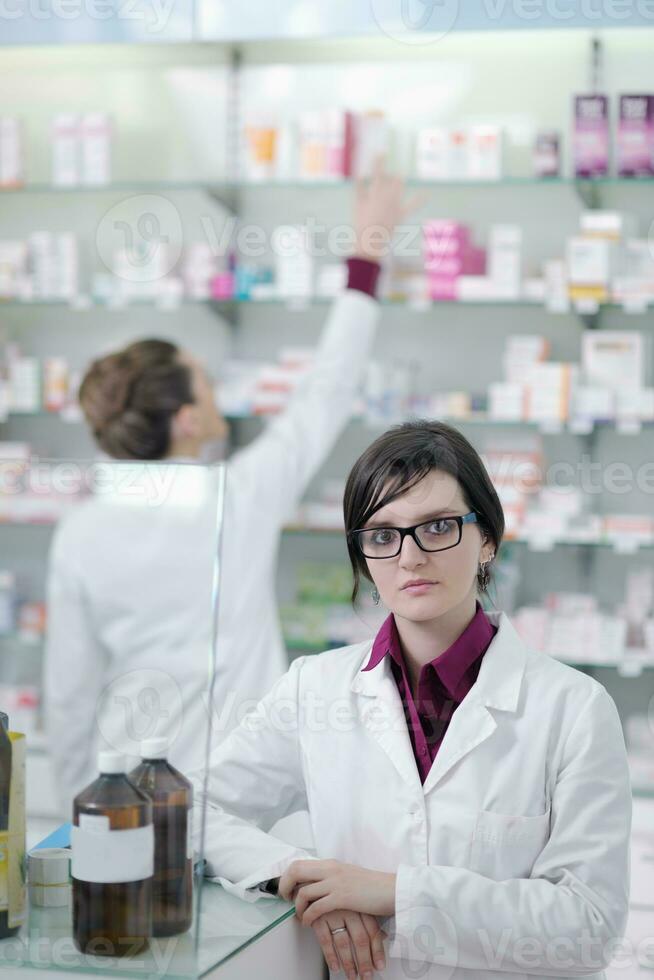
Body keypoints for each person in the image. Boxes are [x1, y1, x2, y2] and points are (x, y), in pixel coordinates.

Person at [193, 420, 632, 980]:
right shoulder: (314, 688)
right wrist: (297, 874)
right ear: (364, 558)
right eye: (383, 535)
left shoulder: (573, 708)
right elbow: (192, 812)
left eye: (438, 527)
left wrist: (395, 894)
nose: (410, 556)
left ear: (488, 539)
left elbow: (588, 929)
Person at [44, 164, 419, 814]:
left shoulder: (80, 530)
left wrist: (80, 817)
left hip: (129, 796)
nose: (217, 391)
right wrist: (368, 253)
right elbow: (325, 393)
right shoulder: (235, 497)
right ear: (187, 419)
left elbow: (69, 693)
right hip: (241, 796)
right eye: (205, 382)